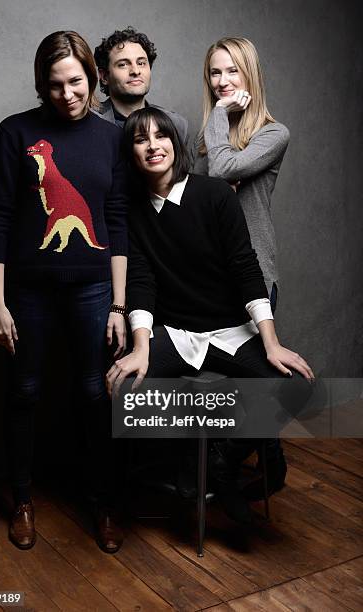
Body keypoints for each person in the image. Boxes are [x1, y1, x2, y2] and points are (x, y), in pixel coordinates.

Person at [106, 107, 313, 524]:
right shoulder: (132, 210)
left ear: (175, 144)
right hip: (177, 331)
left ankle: (221, 460)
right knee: (120, 388)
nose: (152, 146)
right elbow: (141, 281)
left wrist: (270, 341)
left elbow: (245, 267)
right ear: (130, 153)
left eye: (160, 136)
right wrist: (142, 347)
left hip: (230, 330)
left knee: (297, 387)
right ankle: (156, 480)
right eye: (140, 140)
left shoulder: (214, 194)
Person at [0, 31, 128, 554]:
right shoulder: (15, 132)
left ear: (93, 77)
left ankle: (104, 500)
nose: (67, 94)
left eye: (77, 82)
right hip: (27, 290)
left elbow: (115, 220)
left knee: (94, 393)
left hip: (91, 289)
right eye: (54, 85)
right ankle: (22, 498)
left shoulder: (112, 137)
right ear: (41, 87)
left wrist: (117, 303)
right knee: (24, 391)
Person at [193, 37, 291, 499]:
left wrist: (219, 114)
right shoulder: (207, 140)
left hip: (254, 273)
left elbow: (220, 170)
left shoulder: (273, 134)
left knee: (260, 379)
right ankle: (266, 461)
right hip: (213, 277)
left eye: (232, 71)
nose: (223, 82)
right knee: (228, 382)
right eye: (215, 73)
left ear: (250, 77)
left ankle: (230, 464)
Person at [94, 26, 188, 142]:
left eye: (141, 63)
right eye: (123, 64)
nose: (135, 71)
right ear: (104, 76)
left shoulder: (175, 124)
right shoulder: (90, 122)